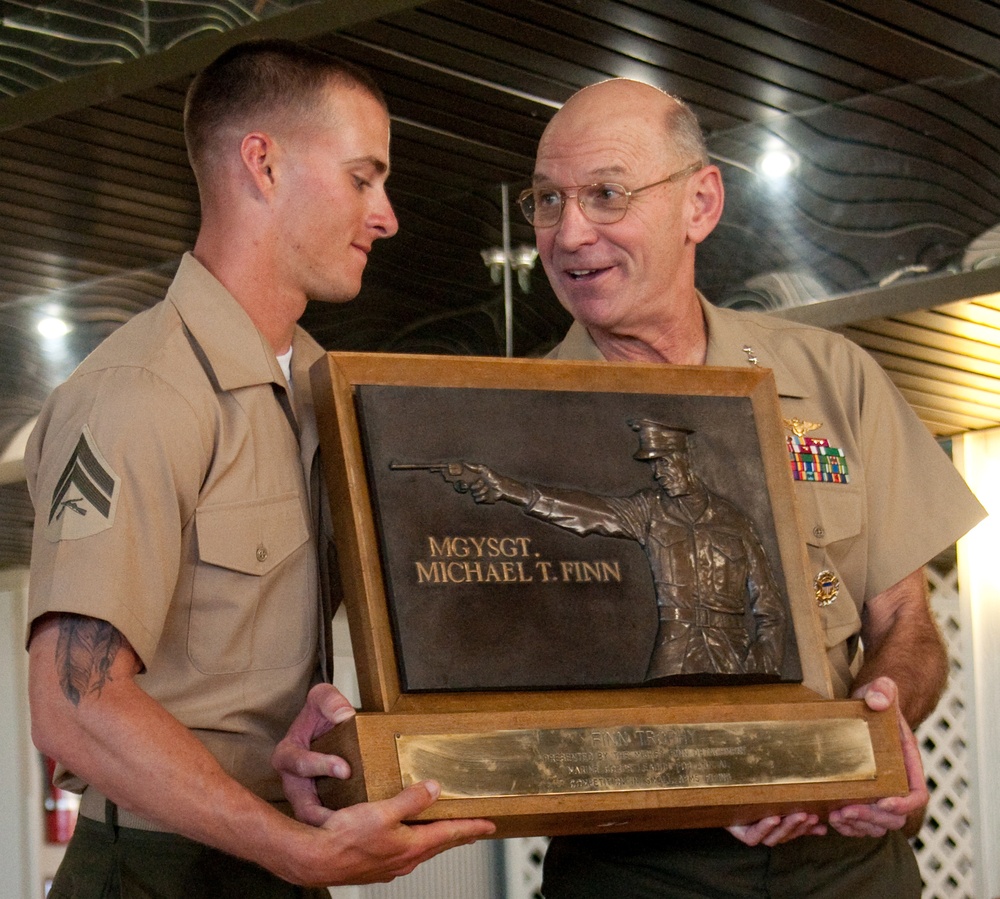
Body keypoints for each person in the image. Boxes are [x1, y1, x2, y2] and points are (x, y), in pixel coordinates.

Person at [24, 39, 493, 898]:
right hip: (158, 871)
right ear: (264, 163)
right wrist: (291, 847)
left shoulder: (320, 391)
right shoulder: (142, 389)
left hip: (273, 853)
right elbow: (73, 703)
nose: (386, 215)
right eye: (363, 178)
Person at [509, 78, 986, 897]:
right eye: (547, 200)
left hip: (847, 857)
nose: (570, 231)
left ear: (700, 203)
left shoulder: (831, 377)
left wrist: (875, 720)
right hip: (633, 865)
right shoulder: (506, 421)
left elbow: (906, 621)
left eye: (606, 194)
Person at [427, 418, 787, 681]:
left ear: (689, 460)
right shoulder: (650, 510)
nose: (657, 474)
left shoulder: (736, 520)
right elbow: (589, 511)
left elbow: (770, 605)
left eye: (664, 462)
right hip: (675, 659)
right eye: (651, 465)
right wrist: (511, 489)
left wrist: (766, 659)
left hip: (735, 658)